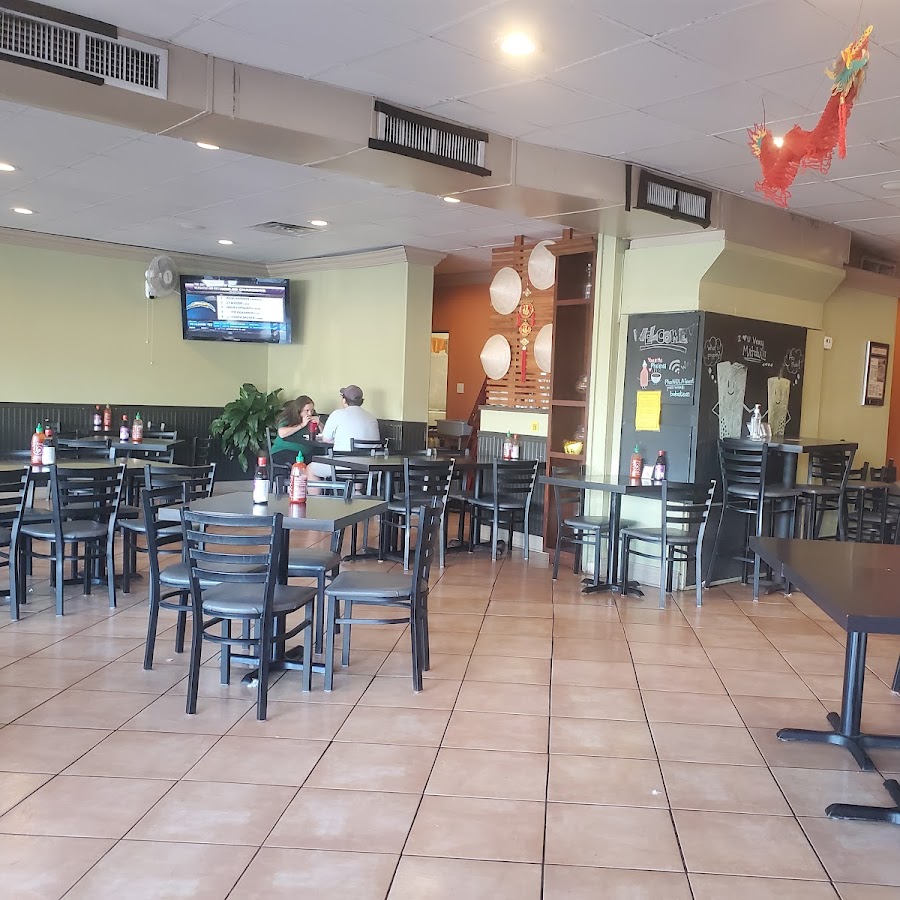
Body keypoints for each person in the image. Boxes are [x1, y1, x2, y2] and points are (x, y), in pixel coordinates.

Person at [308, 384, 381, 481]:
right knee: (358, 465)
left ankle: (320, 493)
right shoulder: (371, 418)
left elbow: (325, 439)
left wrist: (340, 441)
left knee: (310, 469)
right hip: (369, 469)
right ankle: (356, 489)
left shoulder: (337, 414)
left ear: (344, 400)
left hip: (343, 467)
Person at [270, 395, 319, 468]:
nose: (310, 413)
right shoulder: (289, 418)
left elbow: (326, 436)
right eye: (307, 410)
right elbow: (282, 434)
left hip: (305, 452)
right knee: (300, 464)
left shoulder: (312, 418)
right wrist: (301, 425)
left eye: (311, 410)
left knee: (318, 461)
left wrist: (319, 423)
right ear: (299, 410)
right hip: (283, 451)